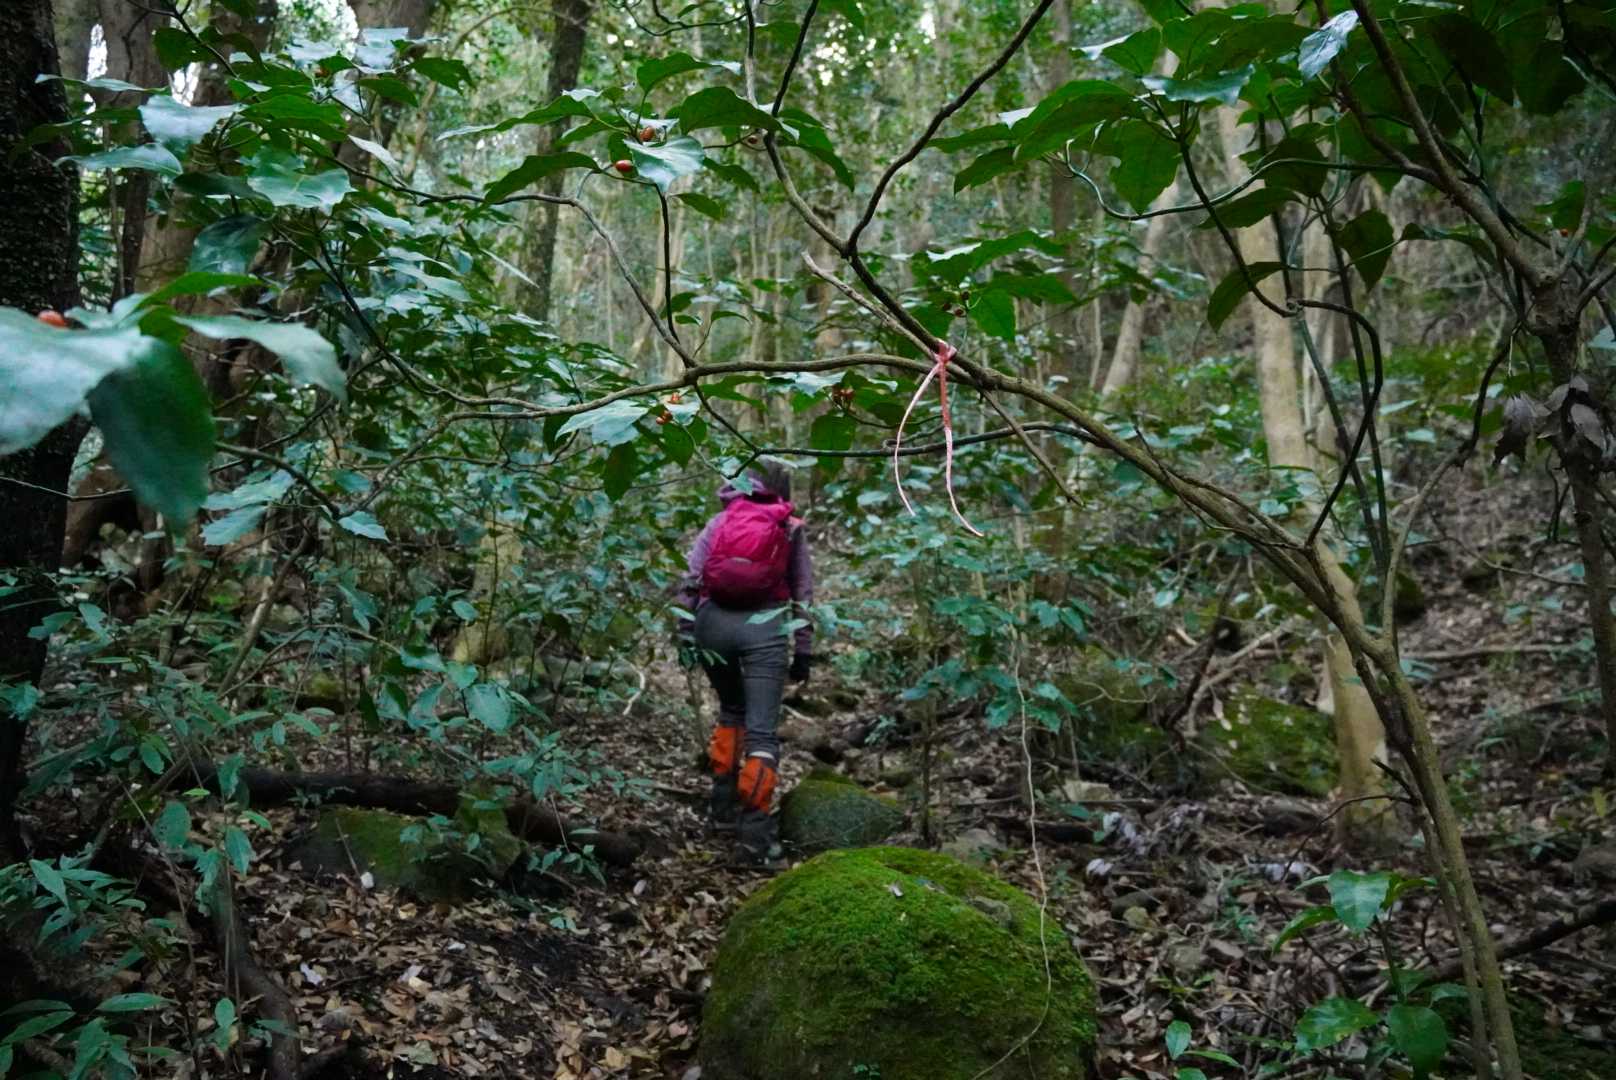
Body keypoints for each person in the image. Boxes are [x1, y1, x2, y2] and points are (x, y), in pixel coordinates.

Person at [675, 462, 813, 863]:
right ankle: (754, 840)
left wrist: (687, 634)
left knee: (731, 709)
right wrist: (803, 650)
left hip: (712, 626)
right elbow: (803, 592)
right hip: (763, 630)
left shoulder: (720, 521)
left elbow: (690, 580)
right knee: (762, 734)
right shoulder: (789, 526)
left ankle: (721, 810)